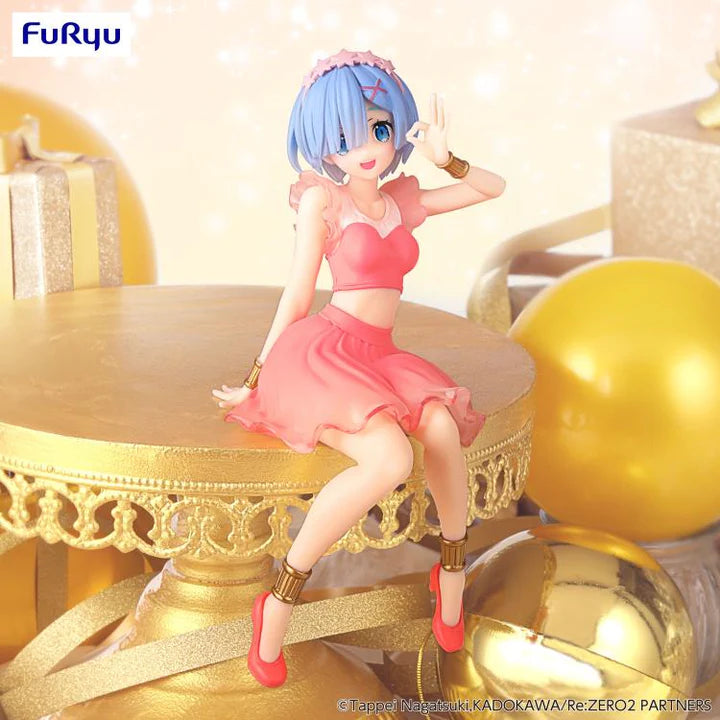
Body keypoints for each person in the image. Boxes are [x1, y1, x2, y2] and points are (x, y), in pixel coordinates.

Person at [211, 49, 506, 687]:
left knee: (442, 428)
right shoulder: (325, 202)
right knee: (390, 459)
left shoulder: (401, 200)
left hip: (381, 353)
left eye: (378, 129)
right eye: (345, 138)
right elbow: (297, 294)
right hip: (325, 350)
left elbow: (492, 188)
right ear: (325, 146)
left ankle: (451, 572)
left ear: (396, 125)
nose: (366, 149)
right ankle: (281, 599)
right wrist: (257, 376)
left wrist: (446, 160)